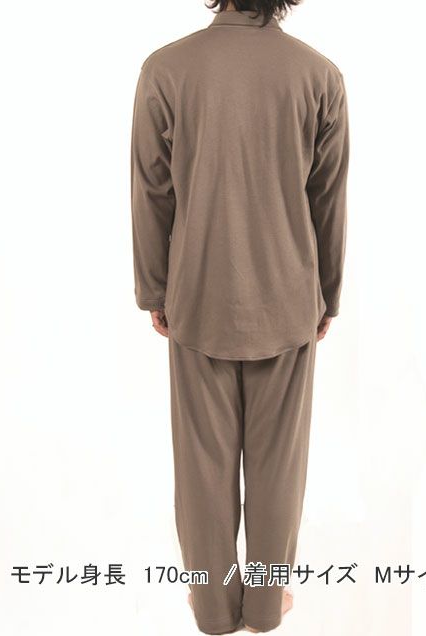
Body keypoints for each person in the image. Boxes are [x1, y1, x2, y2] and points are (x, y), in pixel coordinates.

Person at [130, 0, 350, 632]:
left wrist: (154, 288)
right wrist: (327, 294)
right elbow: (328, 197)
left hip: (197, 296)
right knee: (280, 468)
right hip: (288, 301)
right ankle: (265, 604)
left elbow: (151, 188)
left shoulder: (166, 70)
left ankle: (211, 606)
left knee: (202, 468)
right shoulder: (319, 75)